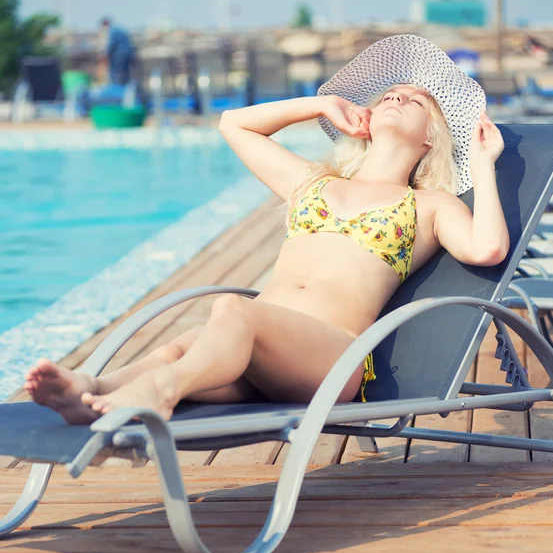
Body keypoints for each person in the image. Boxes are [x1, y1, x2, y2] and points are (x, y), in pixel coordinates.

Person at [24, 35, 509, 424]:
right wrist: (320, 106)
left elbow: (486, 248)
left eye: (414, 100)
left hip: (331, 359)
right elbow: (234, 125)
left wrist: (484, 163)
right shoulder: (313, 183)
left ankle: (160, 392)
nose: (396, 97)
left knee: (233, 310)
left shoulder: (427, 205)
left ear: (431, 136)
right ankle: (91, 391)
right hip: (252, 352)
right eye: (389, 94)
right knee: (179, 347)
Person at [99, 17, 136, 86]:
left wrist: (105, 54)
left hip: (120, 54)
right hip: (128, 53)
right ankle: (125, 86)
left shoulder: (112, 31)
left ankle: (117, 87)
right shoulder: (119, 29)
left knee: (116, 72)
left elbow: (111, 44)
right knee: (125, 71)